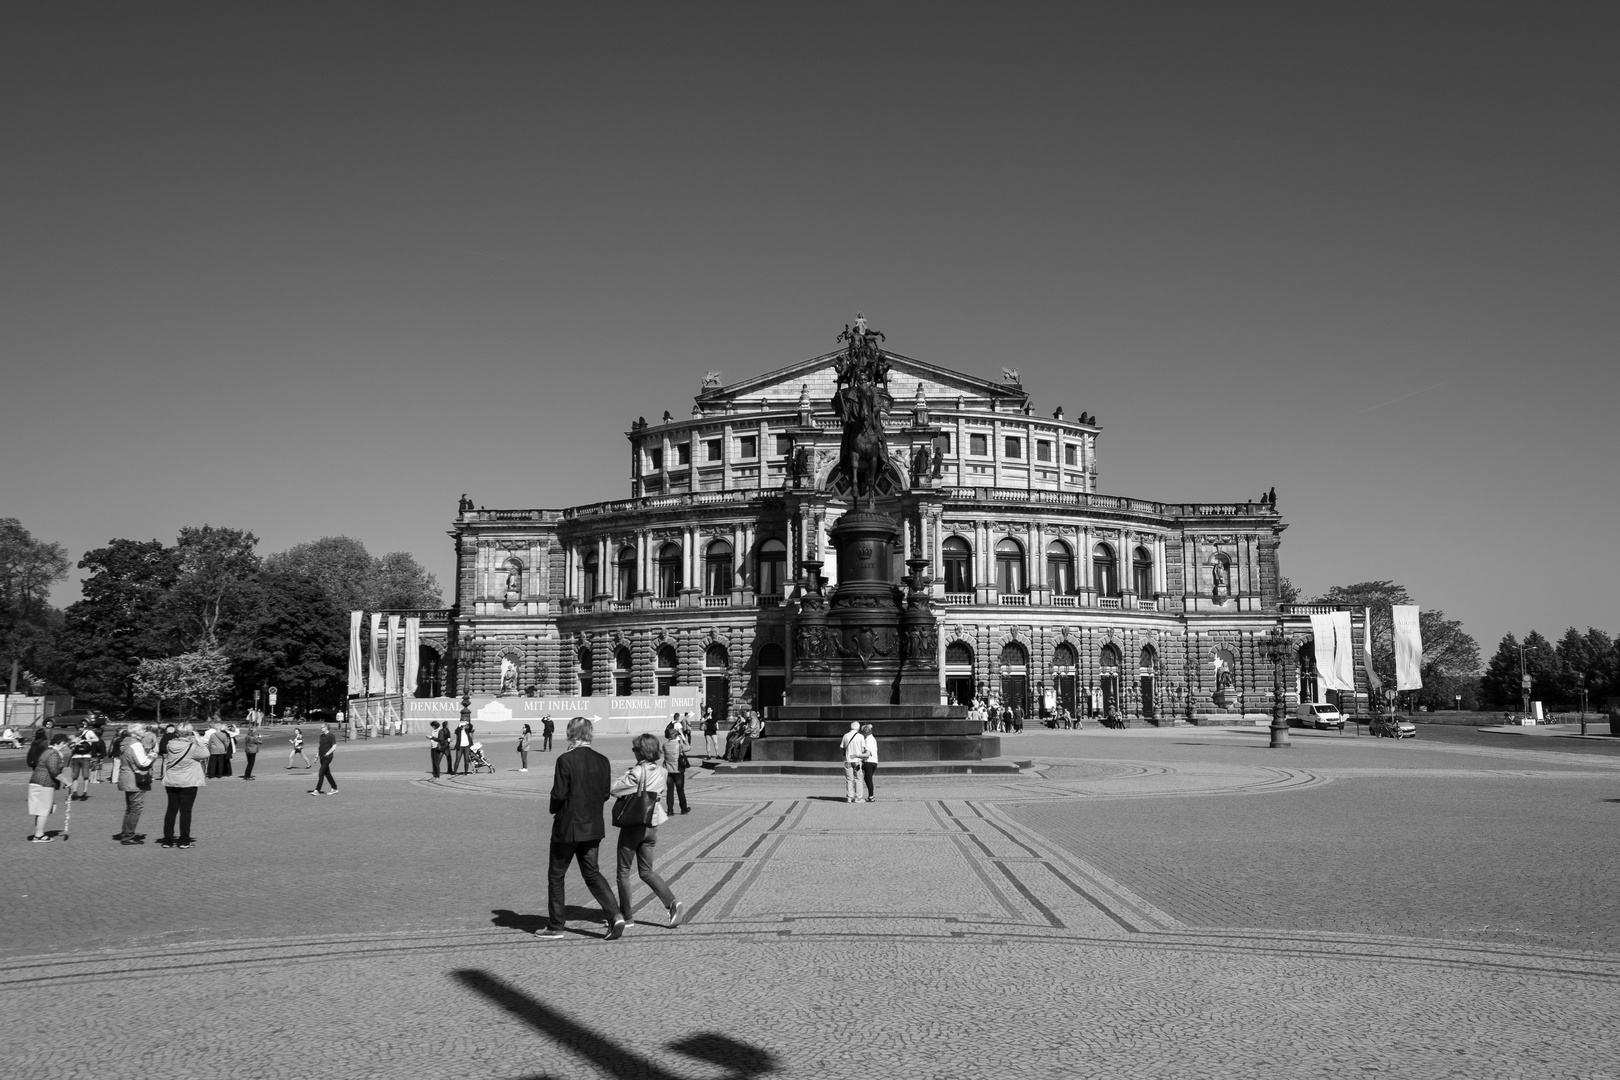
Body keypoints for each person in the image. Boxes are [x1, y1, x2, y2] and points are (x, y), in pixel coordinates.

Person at [536, 717, 624, 941]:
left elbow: (558, 794)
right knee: (592, 872)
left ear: (570, 733)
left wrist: (554, 808)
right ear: (589, 733)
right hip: (593, 825)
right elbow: (605, 794)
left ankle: (556, 926)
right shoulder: (603, 760)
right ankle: (615, 915)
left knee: (556, 875)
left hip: (567, 826)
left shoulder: (565, 760)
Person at [610, 733, 684, 929]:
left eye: (634, 749)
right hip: (652, 824)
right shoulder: (662, 771)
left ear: (641, 752)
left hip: (635, 824)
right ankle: (672, 903)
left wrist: (628, 774)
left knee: (623, 871)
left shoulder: (636, 773)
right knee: (647, 871)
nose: (633, 752)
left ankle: (627, 917)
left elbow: (615, 789)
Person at [158, 724, 207, 849]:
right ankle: (184, 840)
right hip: (188, 781)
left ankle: (167, 840)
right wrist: (198, 740)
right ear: (189, 733)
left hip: (172, 781)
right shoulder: (192, 747)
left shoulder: (170, 744)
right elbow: (206, 754)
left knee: (171, 810)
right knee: (185, 811)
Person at [27, 733, 70, 842]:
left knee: (40, 810)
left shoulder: (47, 751)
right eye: (64, 743)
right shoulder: (52, 753)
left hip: (37, 782)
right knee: (44, 810)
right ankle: (39, 835)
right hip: (44, 784)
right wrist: (66, 781)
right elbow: (54, 771)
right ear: (58, 743)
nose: (65, 746)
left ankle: (38, 833)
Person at [115, 724, 152, 844]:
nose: (144, 731)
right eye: (142, 729)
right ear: (135, 733)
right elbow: (142, 763)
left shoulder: (125, 742)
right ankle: (128, 835)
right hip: (134, 778)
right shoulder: (136, 744)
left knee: (130, 808)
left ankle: (125, 832)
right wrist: (152, 757)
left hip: (126, 775)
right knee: (136, 808)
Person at [662, 722, 690, 815]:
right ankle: (684, 808)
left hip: (668, 770)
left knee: (669, 791)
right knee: (680, 789)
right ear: (676, 736)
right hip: (678, 770)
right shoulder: (679, 745)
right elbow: (689, 747)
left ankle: (670, 810)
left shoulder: (665, 745)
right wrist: (683, 739)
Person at [68, 724, 97, 801]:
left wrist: (85, 740)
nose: (79, 730)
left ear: (83, 727)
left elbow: (96, 739)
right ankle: (75, 792)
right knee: (76, 775)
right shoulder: (76, 735)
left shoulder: (88, 732)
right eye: (77, 728)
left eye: (79, 728)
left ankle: (83, 792)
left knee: (84, 775)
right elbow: (70, 745)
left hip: (84, 756)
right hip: (78, 756)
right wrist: (74, 742)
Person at [842, 721, 866, 803]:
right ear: (858, 728)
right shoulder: (860, 736)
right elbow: (863, 750)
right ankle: (858, 797)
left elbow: (842, 747)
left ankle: (849, 797)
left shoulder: (846, 736)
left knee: (849, 779)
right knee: (858, 779)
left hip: (848, 760)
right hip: (857, 761)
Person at [311, 723, 338, 795]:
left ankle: (317, 790)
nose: (321, 728)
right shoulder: (322, 736)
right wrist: (316, 757)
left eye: (322, 727)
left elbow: (334, 746)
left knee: (321, 772)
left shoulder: (331, 735)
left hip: (328, 757)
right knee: (327, 773)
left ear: (326, 728)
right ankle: (334, 788)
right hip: (322, 757)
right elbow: (320, 748)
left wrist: (327, 754)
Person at [857, 723, 880, 802]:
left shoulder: (868, 740)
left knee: (868, 779)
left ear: (865, 732)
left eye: (862, 732)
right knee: (867, 778)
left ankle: (871, 796)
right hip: (873, 761)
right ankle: (871, 796)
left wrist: (857, 756)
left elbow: (867, 753)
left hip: (869, 761)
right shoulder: (872, 738)